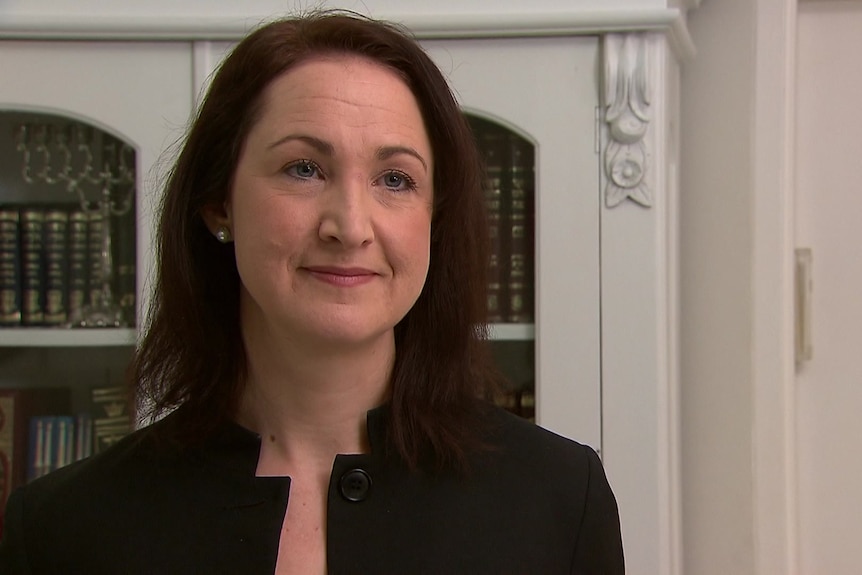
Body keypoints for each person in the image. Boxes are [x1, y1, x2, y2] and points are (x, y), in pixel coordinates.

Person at [0, 11, 624, 574]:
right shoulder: (62, 531)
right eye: (304, 168)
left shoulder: (560, 504)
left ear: (434, 220)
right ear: (219, 203)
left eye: (395, 179)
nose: (350, 227)